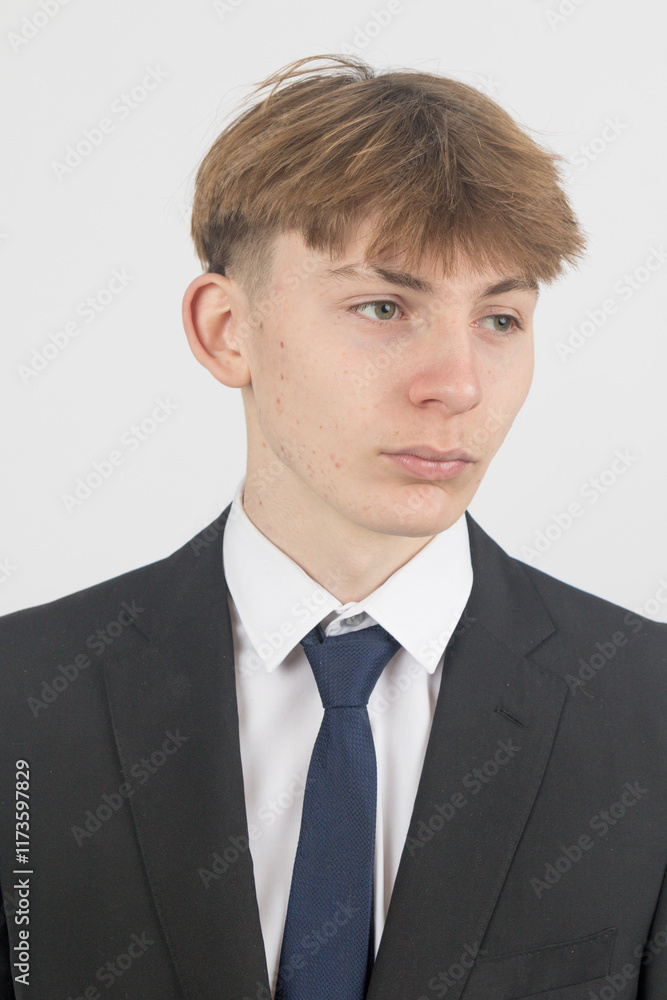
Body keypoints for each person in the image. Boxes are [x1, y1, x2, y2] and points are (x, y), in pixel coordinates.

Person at [0, 52, 665, 1000]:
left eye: (500, 320)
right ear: (225, 330)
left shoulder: (648, 708)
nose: (458, 385)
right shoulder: (23, 697)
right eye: (383, 306)